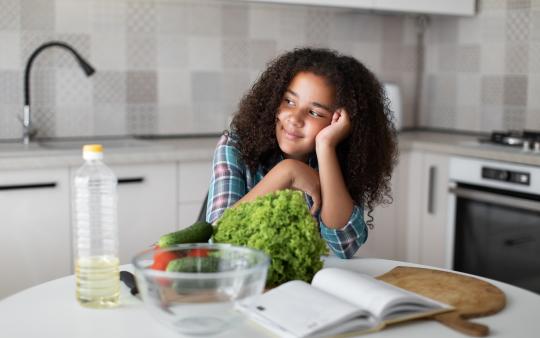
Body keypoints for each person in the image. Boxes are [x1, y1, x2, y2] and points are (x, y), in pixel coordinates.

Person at [206, 47, 398, 259]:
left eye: (315, 112)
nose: (295, 118)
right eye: (289, 101)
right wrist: (287, 172)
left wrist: (326, 147)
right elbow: (218, 238)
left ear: (338, 121)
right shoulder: (235, 146)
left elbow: (344, 247)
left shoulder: (341, 159)